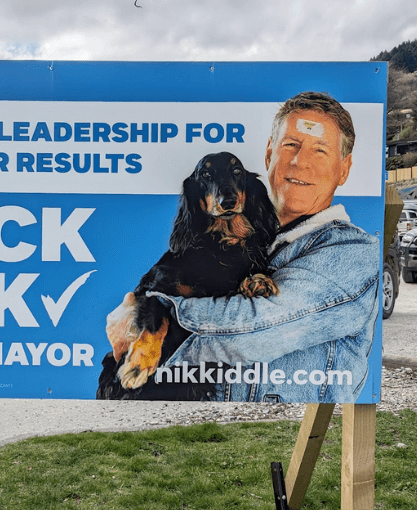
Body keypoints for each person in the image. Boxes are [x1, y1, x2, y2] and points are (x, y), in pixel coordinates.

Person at [147, 91, 380, 403]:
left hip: (283, 438)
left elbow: (249, 331)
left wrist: (152, 314)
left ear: (344, 169)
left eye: (320, 151)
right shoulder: (235, 235)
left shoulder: (353, 253)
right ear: (270, 153)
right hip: (203, 431)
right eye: (291, 145)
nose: (300, 162)